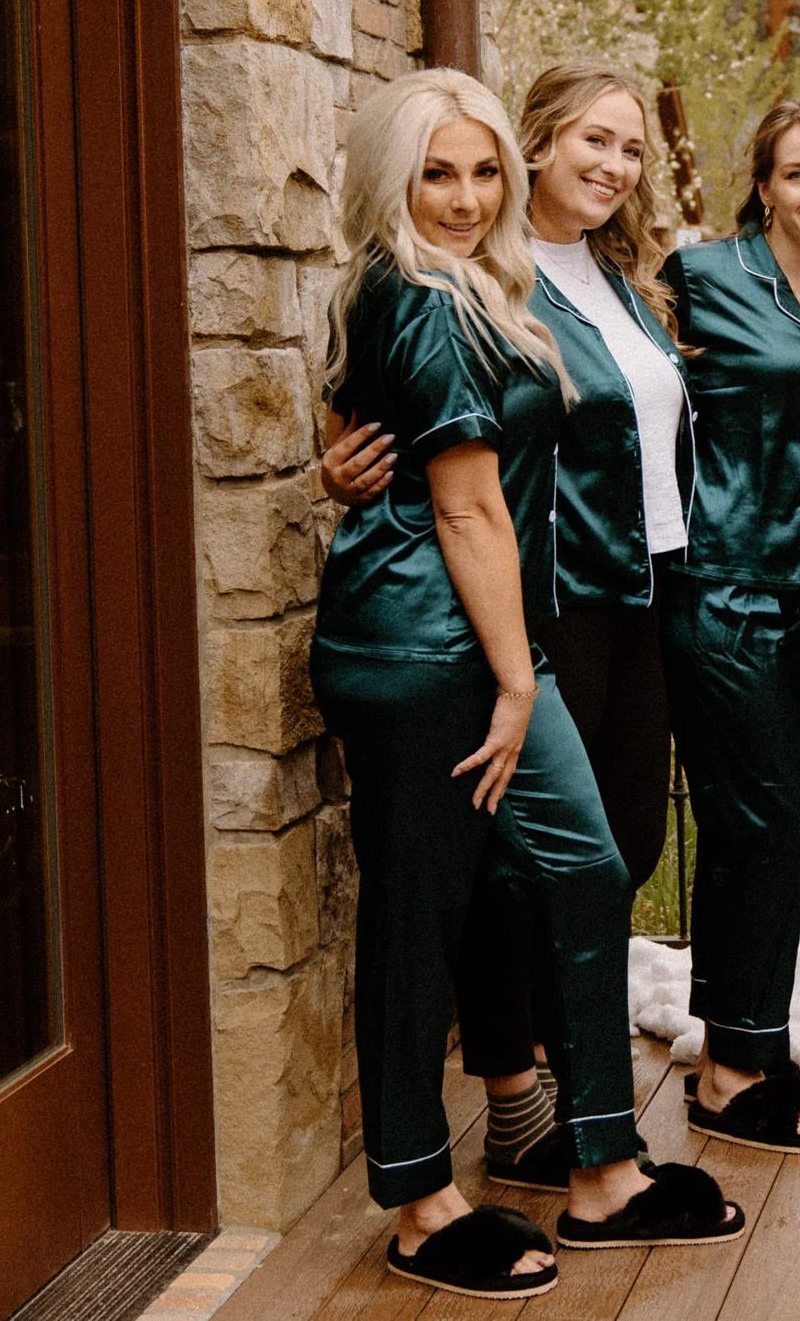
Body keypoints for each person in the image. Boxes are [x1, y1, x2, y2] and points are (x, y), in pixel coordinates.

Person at [310, 70, 740, 1301]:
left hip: (483, 641)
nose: (462, 196)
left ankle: (602, 1164)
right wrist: (516, 681)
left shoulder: (469, 287)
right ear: (391, 179)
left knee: (587, 868)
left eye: (481, 170)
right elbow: (464, 504)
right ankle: (419, 1203)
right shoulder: (420, 295)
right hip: (424, 649)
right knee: (417, 913)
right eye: (435, 173)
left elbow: (378, 433)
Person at [659, 98, 800, 1154]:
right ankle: (736, 1068)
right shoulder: (697, 278)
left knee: (745, 826)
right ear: (764, 188)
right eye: (797, 173)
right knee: (779, 818)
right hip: (715, 590)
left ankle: (736, 1044)